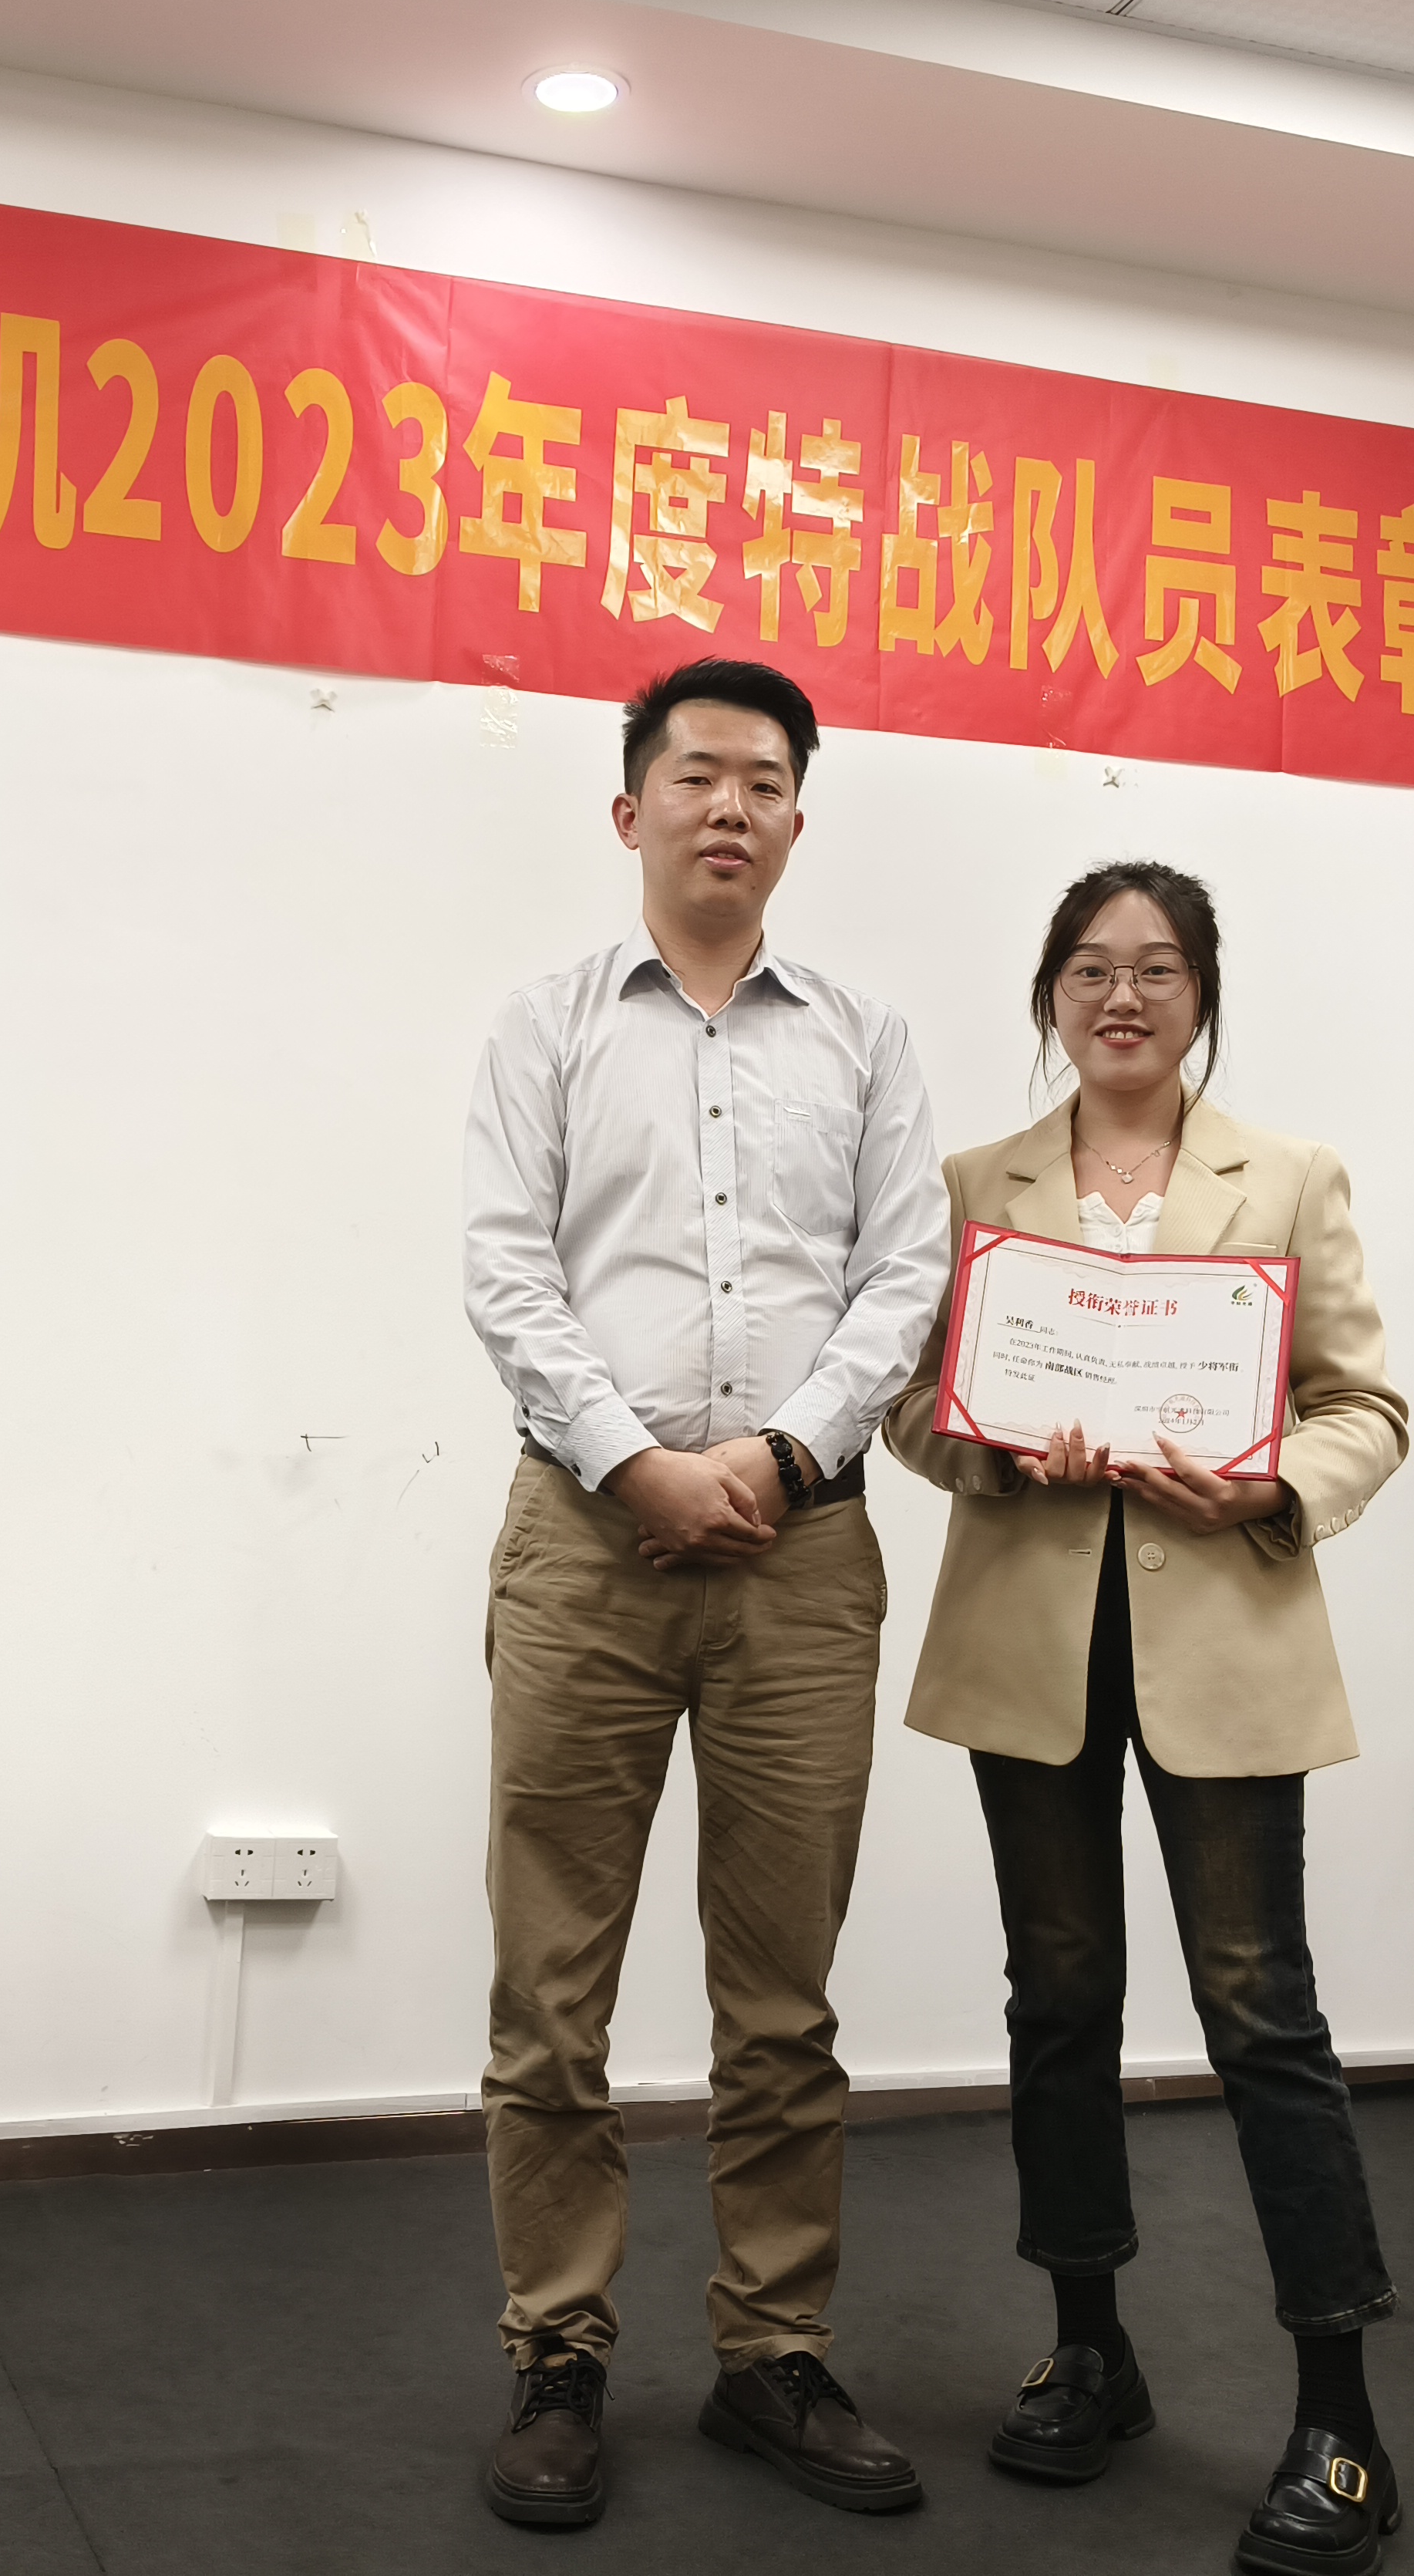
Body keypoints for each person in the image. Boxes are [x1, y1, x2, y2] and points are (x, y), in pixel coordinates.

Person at [459, 658, 949, 2530]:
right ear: (631, 810)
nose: (729, 805)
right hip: (586, 1544)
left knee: (784, 1991)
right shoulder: (547, 1026)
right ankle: (559, 2355)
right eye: (695, 775)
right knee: (551, 1987)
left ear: (798, 822)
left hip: (802, 1559)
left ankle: (773, 2353)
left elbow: (904, 1277)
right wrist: (638, 1463)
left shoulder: (867, 1039)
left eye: (763, 780)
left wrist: (786, 1459)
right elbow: (508, 1276)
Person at [884, 861, 1412, 2576]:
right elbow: (909, 1402)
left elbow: (1366, 1406)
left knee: (1263, 2012)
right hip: (1031, 1644)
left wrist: (1267, 1485)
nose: (1124, 996)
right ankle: (1089, 2352)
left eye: (1160, 968)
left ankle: (1341, 2420)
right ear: (1051, 993)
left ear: (1202, 995)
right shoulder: (976, 1183)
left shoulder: (1292, 1176)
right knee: (1060, 1998)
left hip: (1227, 1634)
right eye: (1093, 969)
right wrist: (989, 1439)